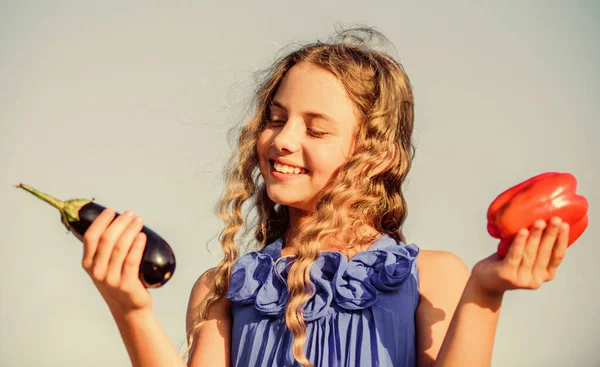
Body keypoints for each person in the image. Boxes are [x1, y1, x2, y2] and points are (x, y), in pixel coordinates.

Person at [80, 27, 572, 367]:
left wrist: (486, 292)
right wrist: (132, 310)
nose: (283, 140)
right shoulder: (224, 290)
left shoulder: (432, 278)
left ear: (376, 156)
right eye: (275, 119)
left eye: (315, 128)